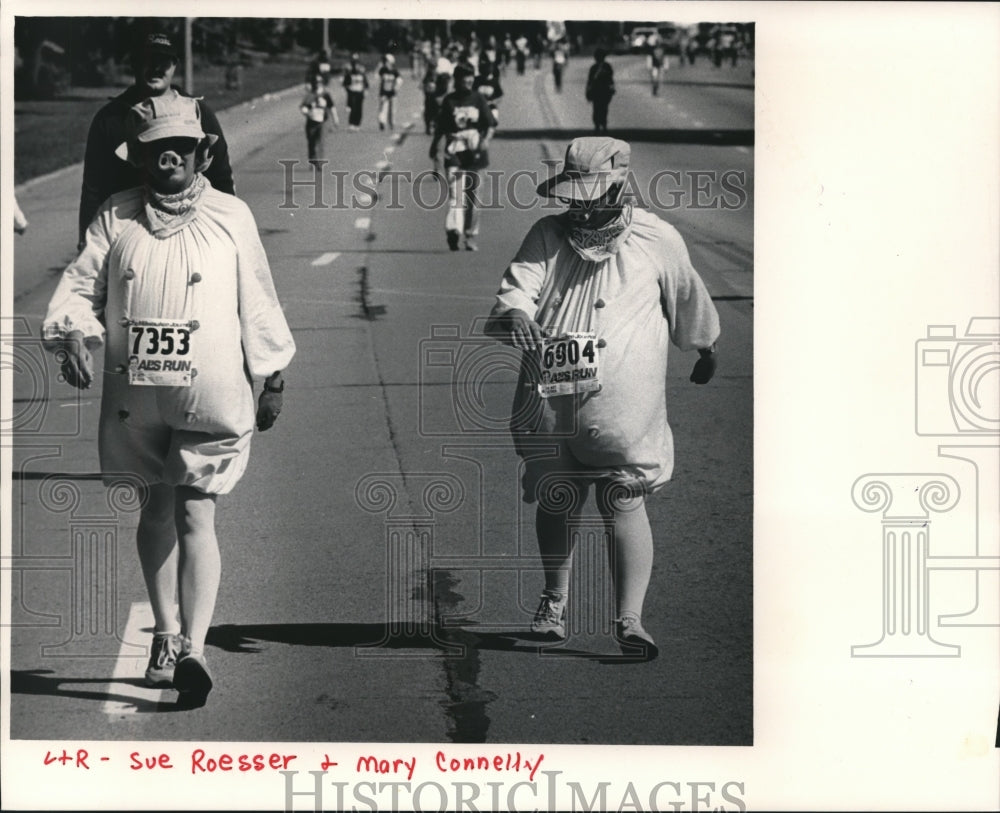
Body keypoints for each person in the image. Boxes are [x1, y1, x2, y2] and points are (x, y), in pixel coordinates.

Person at [43, 92, 295, 707]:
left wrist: (273, 374)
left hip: (211, 395)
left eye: (181, 148)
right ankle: (164, 632)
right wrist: (73, 331)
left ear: (201, 153)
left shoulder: (231, 215)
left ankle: (195, 649)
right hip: (138, 399)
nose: (169, 159)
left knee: (196, 513)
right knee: (156, 510)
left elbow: (256, 297)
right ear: (141, 157)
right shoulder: (116, 216)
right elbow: (81, 285)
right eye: (156, 149)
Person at [484, 137, 720, 658]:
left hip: (623, 399)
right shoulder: (549, 233)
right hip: (550, 389)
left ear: (619, 186)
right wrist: (519, 312)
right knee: (558, 492)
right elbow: (521, 282)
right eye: (576, 199)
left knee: (623, 493)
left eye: (593, 198)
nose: (583, 210)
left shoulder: (657, 237)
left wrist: (705, 349)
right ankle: (554, 602)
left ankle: (629, 619)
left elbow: (687, 298)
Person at [78, 32, 234, 250]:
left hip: (188, 228)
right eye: (147, 61)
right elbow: (94, 188)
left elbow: (220, 176)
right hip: (127, 231)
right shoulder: (110, 119)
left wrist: (228, 229)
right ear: (134, 64)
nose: (156, 68)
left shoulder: (197, 113)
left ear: (174, 65)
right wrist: (86, 239)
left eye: (164, 61)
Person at [429, 63, 495, 252]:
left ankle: (470, 235)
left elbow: (490, 124)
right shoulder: (449, 101)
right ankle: (453, 230)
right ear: (456, 80)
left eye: (471, 77)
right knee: (456, 195)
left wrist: (486, 140)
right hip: (455, 151)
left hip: (476, 152)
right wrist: (436, 152)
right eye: (464, 78)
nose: (468, 81)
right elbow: (440, 130)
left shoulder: (478, 99)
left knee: (474, 199)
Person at [300, 75, 339, 169]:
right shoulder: (309, 96)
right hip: (311, 122)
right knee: (311, 142)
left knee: (321, 142)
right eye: (316, 82)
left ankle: (319, 162)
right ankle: (312, 160)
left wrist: (335, 119)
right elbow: (303, 107)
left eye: (319, 82)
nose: (318, 84)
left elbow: (331, 107)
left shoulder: (326, 95)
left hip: (323, 122)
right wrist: (306, 112)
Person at [585, 49, 615, 132]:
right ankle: (598, 125)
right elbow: (590, 80)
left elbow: (610, 78)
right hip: (598, 91)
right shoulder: (595, 68)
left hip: (603, 91)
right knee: (598, 108)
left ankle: (602, 124)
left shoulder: (606, 67)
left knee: (602, 108)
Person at [342, 54, 369, 131]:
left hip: (360, 92)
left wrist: (365, 91)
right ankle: (351, 124)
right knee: (353, 107)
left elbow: (366, 84)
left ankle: (357, 124)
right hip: (352, 92)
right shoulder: (349, 74)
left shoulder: (362, 75)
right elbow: (345, 84)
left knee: (359, 108)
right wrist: (348, 90)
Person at [376, 54, 402, 131]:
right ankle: (382, 122)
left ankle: (392, 123)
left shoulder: (395, 71)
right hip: (384, 92)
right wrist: (379, 67)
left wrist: (396, 87)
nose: (385, 63)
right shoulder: (382, 70)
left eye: (387, 61)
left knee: (392, 109)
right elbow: (377, 76)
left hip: (392, 92)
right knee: (383, 108)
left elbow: (400, 80)